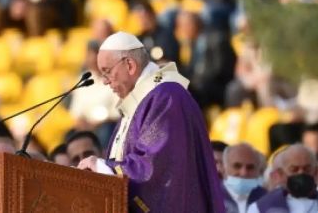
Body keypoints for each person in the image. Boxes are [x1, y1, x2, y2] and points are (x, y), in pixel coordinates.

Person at [76, 31, 225, 212]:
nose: (105, 81)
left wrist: (103, 167)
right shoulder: (139, 103)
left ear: (130, 65)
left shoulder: (167, 97)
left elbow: (156, 166)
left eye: (107, 72)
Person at [248, 144, 318, 213]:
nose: (301, 173)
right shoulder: (260, 208)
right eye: (294, 169)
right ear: (282, 174)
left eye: (307, 169)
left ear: (316, 172)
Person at [222, 143, 267, 212]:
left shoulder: (268, 200)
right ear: (224, 169)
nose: (244, 173)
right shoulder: (208, 197)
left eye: (250, 167)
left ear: (258, 171)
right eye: (237, 166)